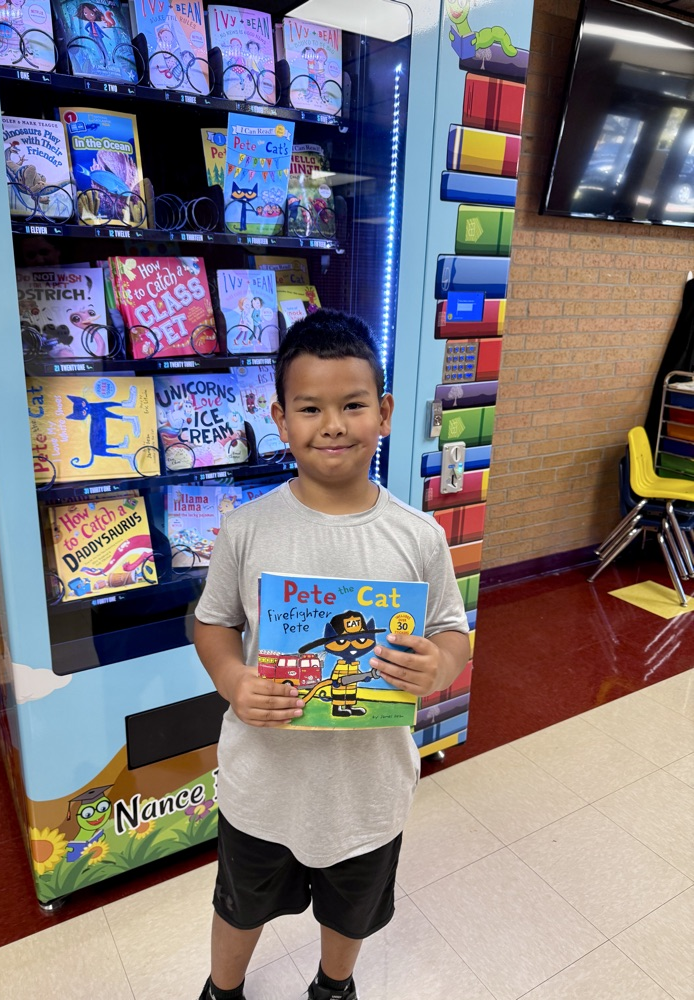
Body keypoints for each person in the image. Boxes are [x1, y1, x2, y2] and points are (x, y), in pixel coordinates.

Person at [194, 309, 470, 1000]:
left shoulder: (419, 535)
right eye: (310, 408)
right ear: (280, 420)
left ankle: (332, 985)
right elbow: (213, 623)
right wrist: (232, 679)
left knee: (353, 909)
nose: (333, 425)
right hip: (264, 784)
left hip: (369, 789)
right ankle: (222, 990)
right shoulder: (248, 528)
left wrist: (437, 665)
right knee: (240, 903)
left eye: (352, 405)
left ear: (384, 411)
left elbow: (452, 631)